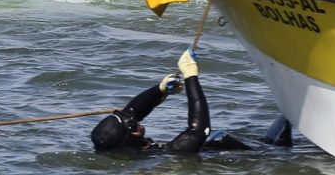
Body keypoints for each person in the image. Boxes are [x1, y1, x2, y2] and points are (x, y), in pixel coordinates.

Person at [91, 51, 251, 155]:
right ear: (129, 139)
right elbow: (199, 130)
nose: (137, 123)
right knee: (220, 139)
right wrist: (191, 75)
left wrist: (160, 89)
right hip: (253, 160)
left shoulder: (124, 146)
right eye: (133, 126)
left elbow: (131, 113)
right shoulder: (172, 152)